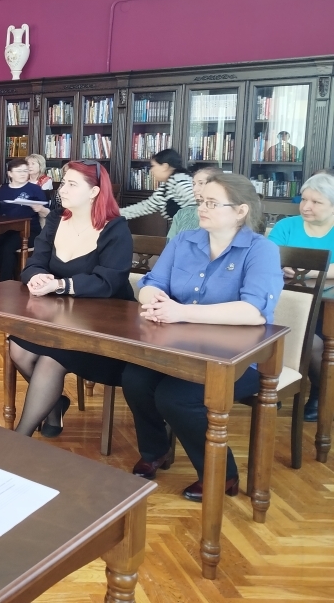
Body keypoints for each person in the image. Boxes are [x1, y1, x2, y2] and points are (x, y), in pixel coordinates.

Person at [122, 173, 283, 501]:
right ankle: (156, 450)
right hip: (178, 346)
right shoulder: (184, 241)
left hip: (239, 358)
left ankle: (222, 473)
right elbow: (151, 282)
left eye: (212, 203)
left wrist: (181, 312)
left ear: (240, 211)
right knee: (134, 378)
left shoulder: (261, 250)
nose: (202, 209)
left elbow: (253, 311)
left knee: (175, 398)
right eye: (201, 202)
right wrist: (153, 300)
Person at [8, 161, 134, 437]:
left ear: (94, 192)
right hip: (60, 316)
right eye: (63, 183)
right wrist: (36, 277)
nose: (62, 189)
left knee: (50, 360)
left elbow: (109, 282)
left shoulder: (115, 229)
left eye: (72, 184)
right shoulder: (56, 219)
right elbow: (34, 263)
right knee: (17, 350)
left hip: (103, 325)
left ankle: (19, 439)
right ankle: (53, 404)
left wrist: (60, 284)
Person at [267, 171, 334, 421]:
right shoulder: (286, 225)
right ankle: (271, 383)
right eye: (304, 199)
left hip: (325, 305)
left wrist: (308, 271)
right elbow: (268, 256)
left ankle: (320, 391)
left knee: (318, 342)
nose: (306, 206)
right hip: (285, 301)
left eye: (316, 202)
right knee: (288, 336)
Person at [0, 157, 49, 281]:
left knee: (7, 248)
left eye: (25, 171)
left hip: (28, 231)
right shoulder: (3, 189)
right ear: (10, 173)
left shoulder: (35, 189)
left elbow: (48, 213)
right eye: (19, 171)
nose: (23, 174)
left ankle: (5, 283)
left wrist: (40, 209)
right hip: (5, 229)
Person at [120, 149, 195, 233]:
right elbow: (145, 207)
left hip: (190, 234)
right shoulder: (165, 187)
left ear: (165, 167)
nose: (151, 170)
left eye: (153, 166)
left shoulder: (181, 182)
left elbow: (198, 207)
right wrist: (115, 214)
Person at [168, 166, 222, 239]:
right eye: (194, 184)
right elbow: (170, 244)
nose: (195, 189)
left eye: (201, 183)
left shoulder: (225, 214)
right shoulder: (182, 214)